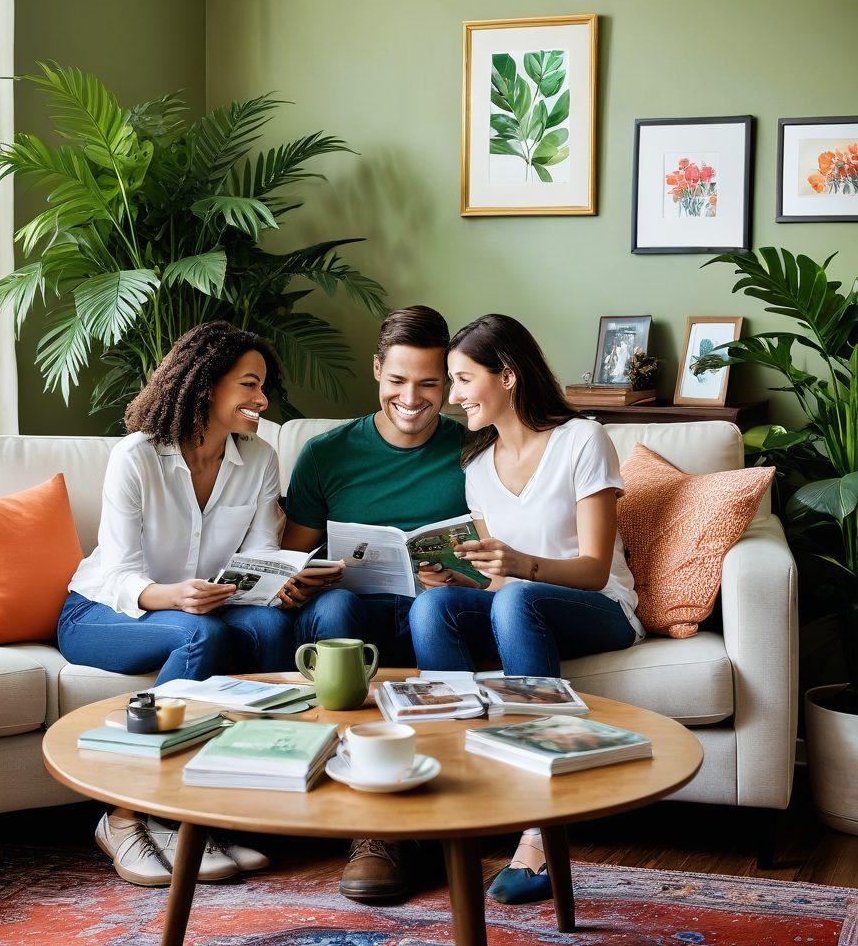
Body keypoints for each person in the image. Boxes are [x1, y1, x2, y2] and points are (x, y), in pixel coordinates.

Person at [409, 313, 645, 906]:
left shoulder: (581, 440)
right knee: (432, 607)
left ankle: (540, 825)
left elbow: (593, 568)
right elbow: (495, 585)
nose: (454, 396)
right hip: (522, 604)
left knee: (515, 595)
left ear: (507, 376)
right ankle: (454, 794)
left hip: (601, 609)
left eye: (463, 381)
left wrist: (519, 567)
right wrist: (454, 577)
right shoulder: (477, 467)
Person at [57, 320, 295, 888]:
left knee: (270, 627)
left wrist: (276, 581)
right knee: (202, 636)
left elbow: (261, 552)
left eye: (263, 387)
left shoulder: (258, 457)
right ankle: (130, 813)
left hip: (200, 607)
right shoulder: (136, 457)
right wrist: (175, 596)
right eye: (250, 386)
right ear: (207, 385)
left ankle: (230, 805)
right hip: (102, 611)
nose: (262, 400)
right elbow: (117, 571)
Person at [279, 305, 468, 903]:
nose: (412, 398)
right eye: (398, 381)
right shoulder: (327, 452)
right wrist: (306, 577)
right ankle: (367, 829)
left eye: (429, 384)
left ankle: (434, 817)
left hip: (435, 607)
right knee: (335, 620)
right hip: (347, 610)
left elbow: (501, 551)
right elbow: (292, 559)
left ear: (450, 384)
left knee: (431, 615)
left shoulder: (475, 450)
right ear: (378, 372)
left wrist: (460, 579)